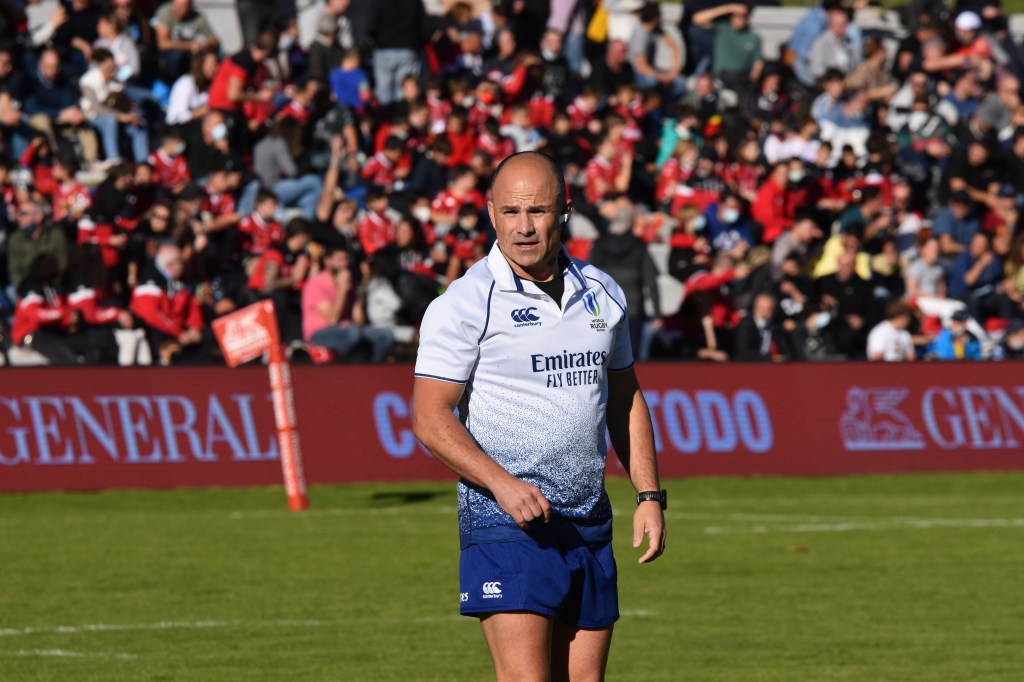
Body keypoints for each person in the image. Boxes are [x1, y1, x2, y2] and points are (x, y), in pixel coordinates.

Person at [411, 152, 666, 682]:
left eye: (537, 211)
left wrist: (648, 495)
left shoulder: (603, 292)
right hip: (505, 523)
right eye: (510, 212)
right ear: (491, 213)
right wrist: (502, 484)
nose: (523, 227)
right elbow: (430, 418)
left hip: (588, 520)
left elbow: (625, 398)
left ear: (564, 211)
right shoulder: (464, 303)